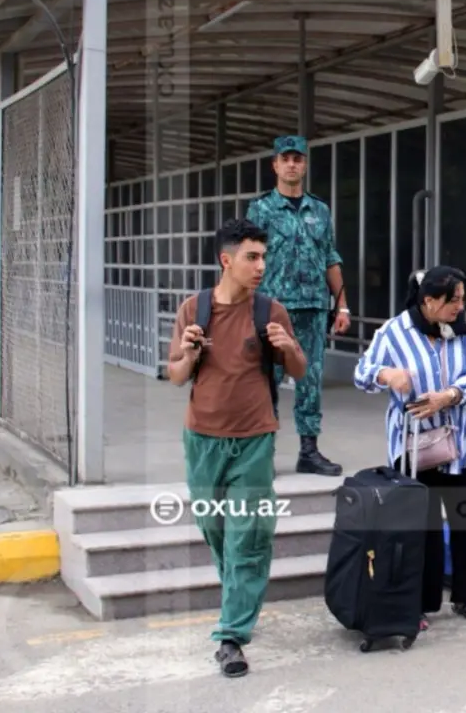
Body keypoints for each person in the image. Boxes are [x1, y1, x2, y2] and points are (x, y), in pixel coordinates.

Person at [166, 218, 308, 677]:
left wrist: (288, 347)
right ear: (226, 260)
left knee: (248, 535)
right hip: (202, 439)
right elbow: (176, 374)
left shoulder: (271, 311)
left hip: (254, 440)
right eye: (252, 257)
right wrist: (190, 353)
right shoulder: (194, 309)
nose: (261, 266)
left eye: (264, 257)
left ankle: (232, 636)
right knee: (215, 528)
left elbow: (300, 371)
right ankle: (239, 597)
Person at [352, 266, 466, 628]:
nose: (459, 306)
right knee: (420, 528)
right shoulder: (393, 332)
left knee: (465, 521)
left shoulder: (465, 329)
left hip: (459, 445)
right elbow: (362, 373)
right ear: (428, 301)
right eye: (453, 300)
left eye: (462, 299)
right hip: (413, 448)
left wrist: (448, 396)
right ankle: (418, 603)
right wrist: (387, 375)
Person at [246, 134, 350, 476]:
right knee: (267, 379)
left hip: (313, 308)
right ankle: (262, 452)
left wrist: (342, 305)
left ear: (304, 165)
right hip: (272, 308)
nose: (292, 164)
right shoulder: (261, 209)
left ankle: (309, 451)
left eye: (298, 159)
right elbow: (249, 257)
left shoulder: (320, 210)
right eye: (285, 159)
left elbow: (330, 257)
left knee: (310, 379)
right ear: (275, 165)